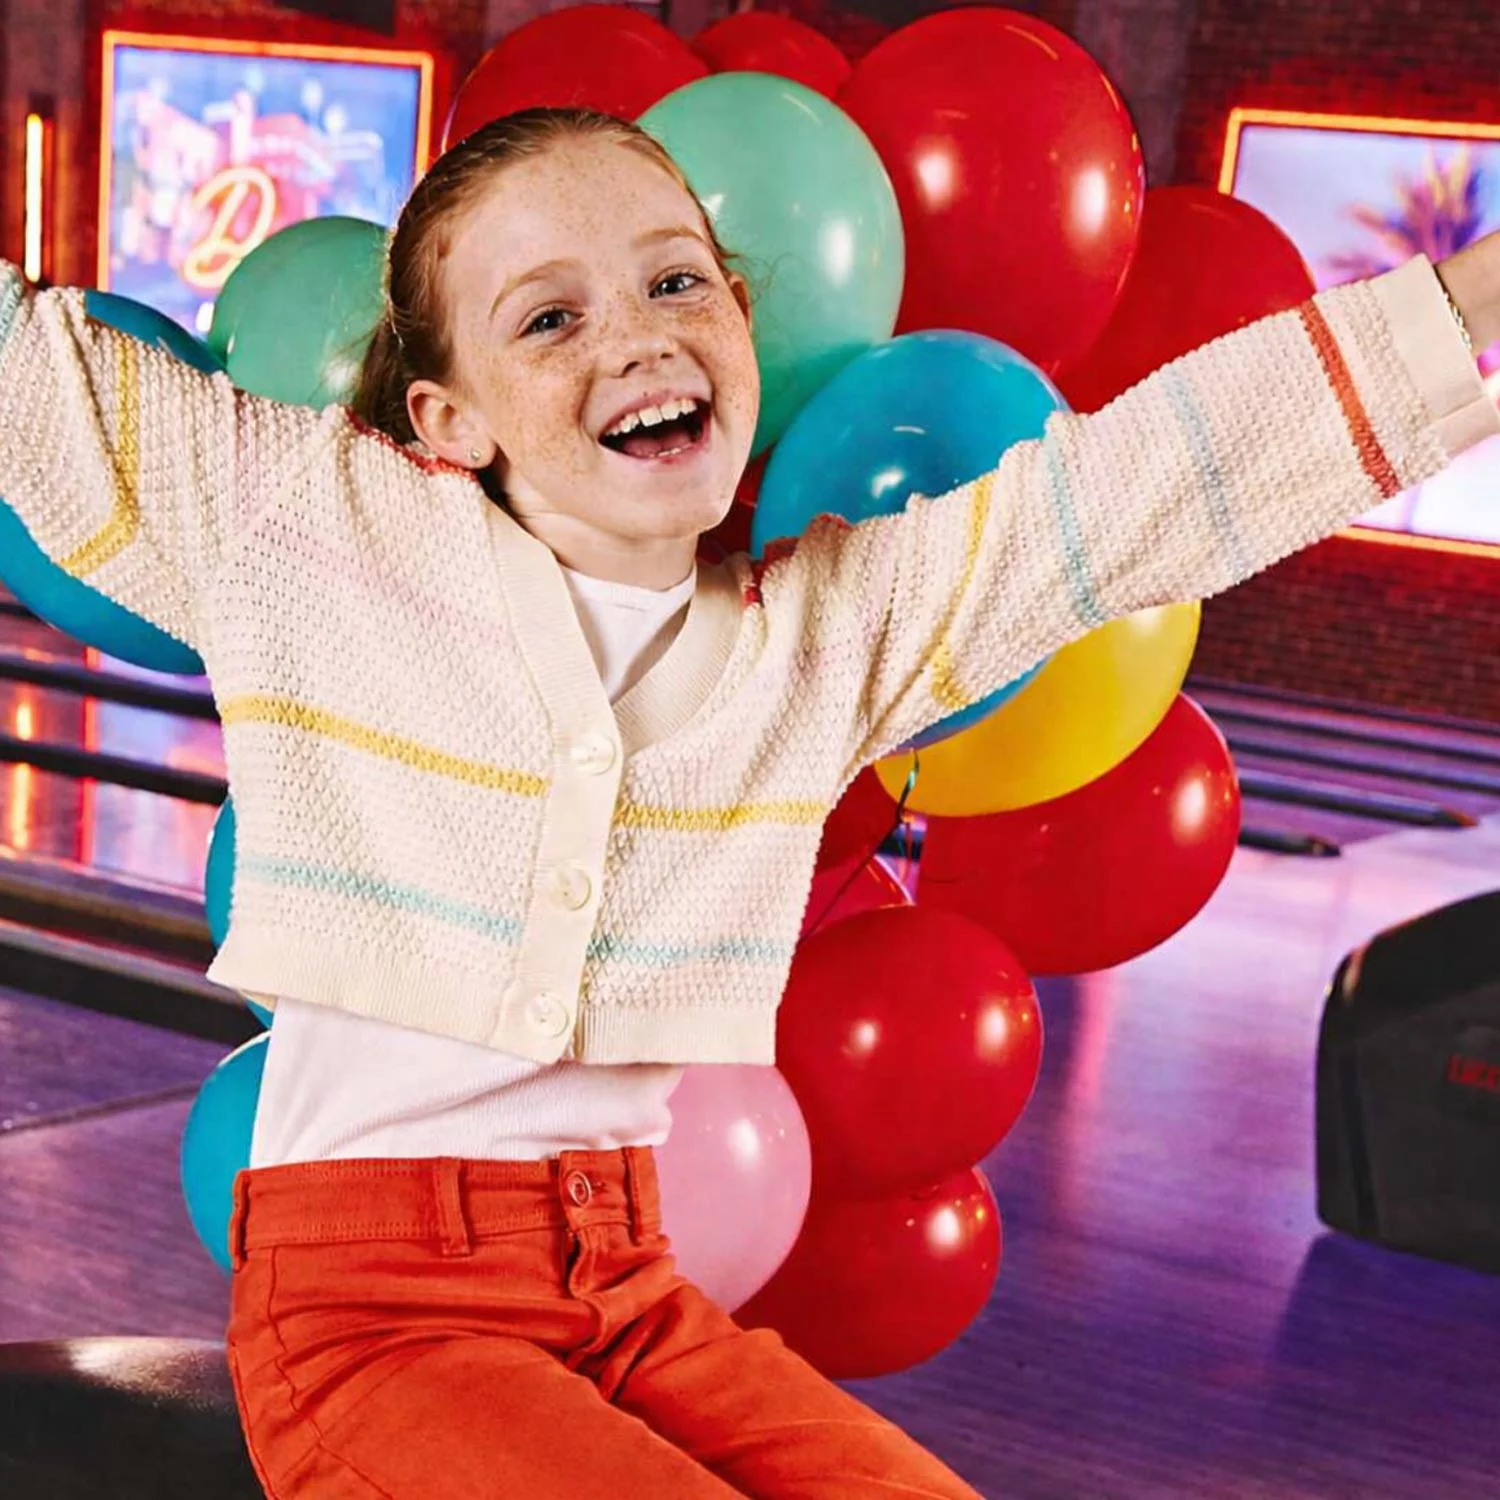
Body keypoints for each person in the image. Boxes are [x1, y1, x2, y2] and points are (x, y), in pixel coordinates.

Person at [1, 106, 1497, 1499]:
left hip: (635, 1292)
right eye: (552, 316)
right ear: (450, 420)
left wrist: (1476, 310)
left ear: (744, 328)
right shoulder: (314, 528)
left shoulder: (829, 629)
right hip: (373, 1315)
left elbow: (1154, 482)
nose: (642, 340)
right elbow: (28, 365)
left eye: (678, 284)